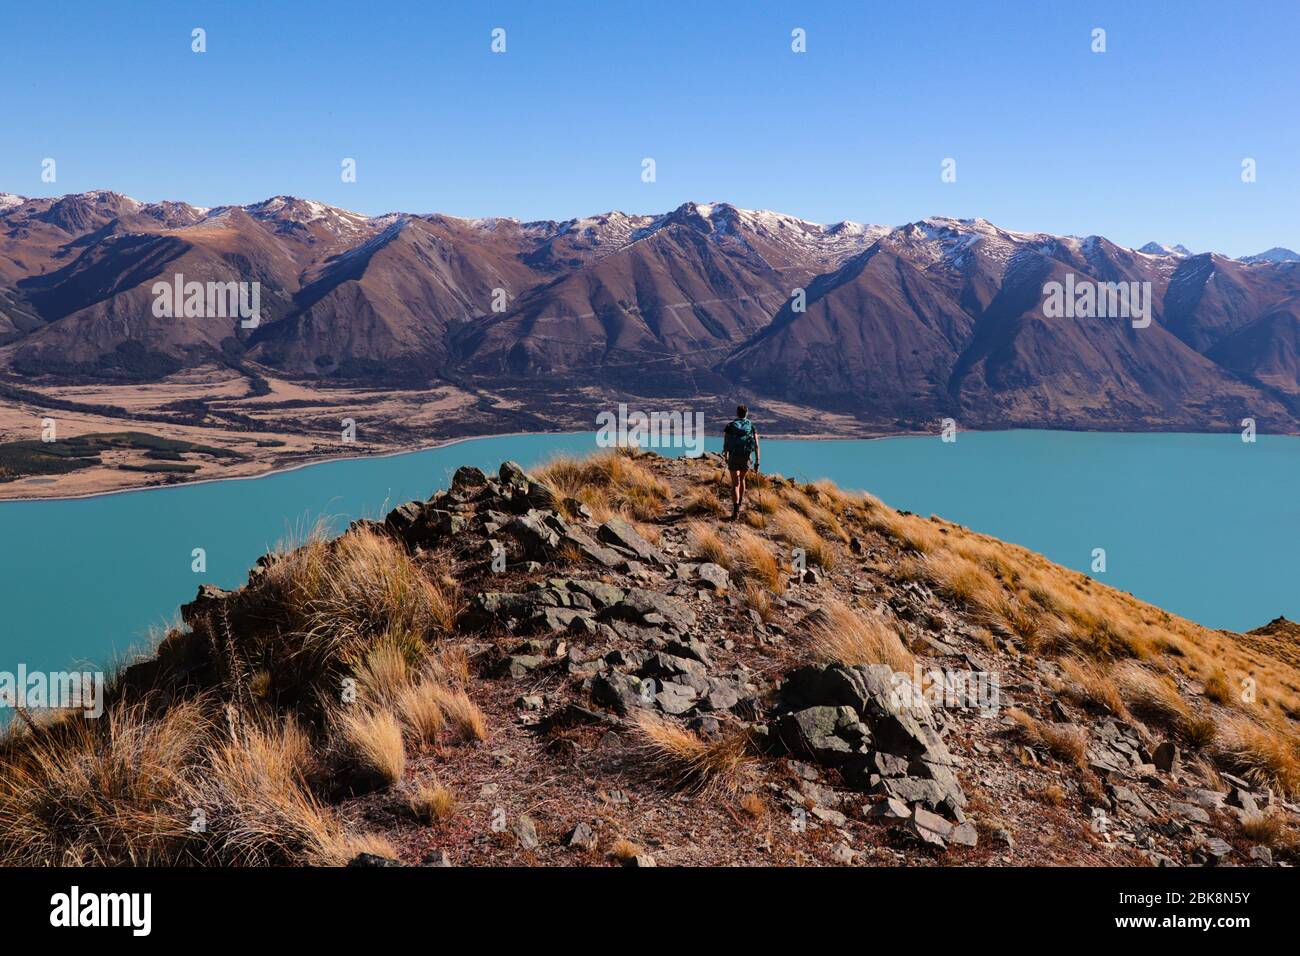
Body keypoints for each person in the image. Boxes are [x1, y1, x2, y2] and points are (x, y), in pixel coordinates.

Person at [722, 405, 760, 521]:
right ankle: (740, 503)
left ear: (737, 413)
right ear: (746, 413)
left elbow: (726, 444)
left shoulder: (730, 426)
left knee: (735, 483)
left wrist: (726, 457)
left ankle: (735, 511)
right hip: (746, 457)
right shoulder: (751, 426)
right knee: (742, 479)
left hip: (733, 457)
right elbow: (757, 446)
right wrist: (757, 461)